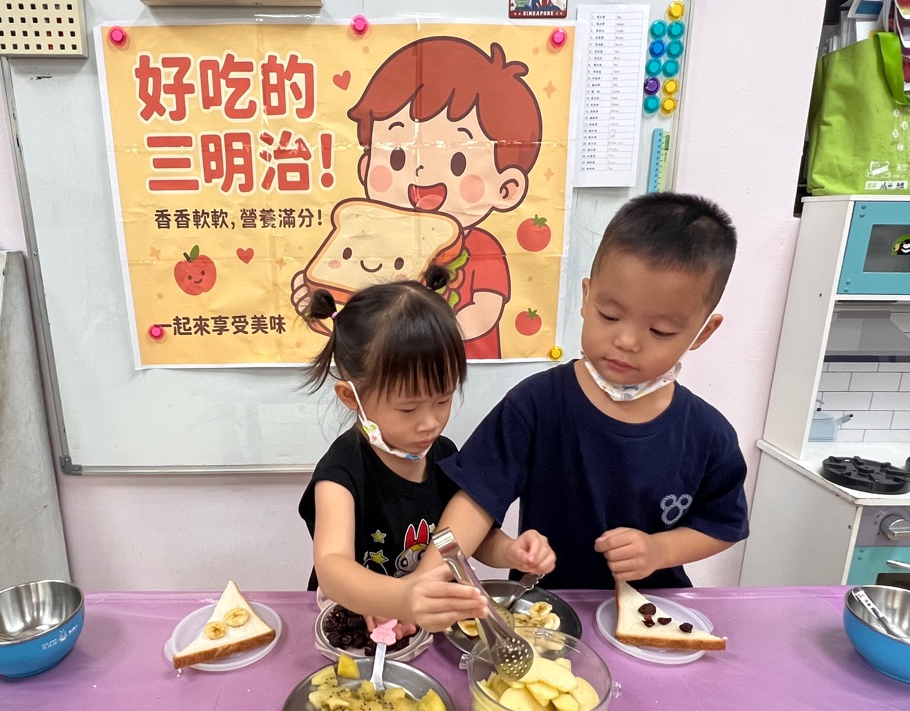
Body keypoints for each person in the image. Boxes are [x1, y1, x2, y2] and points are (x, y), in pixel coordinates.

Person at [420, 192, 749, 590]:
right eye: (609, 315)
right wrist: (423, 581)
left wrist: (659, 550)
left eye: (660, 331)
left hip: (655, 611)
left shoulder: (708, 434)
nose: (626, 341)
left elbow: (722, 524)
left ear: (703, 332)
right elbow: (474, 501)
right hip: (548, 609)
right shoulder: (536, 404)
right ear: (586, 296)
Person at [298, 266, 554, 636]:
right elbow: (332, 567)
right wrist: (402, 597)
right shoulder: (342, 471)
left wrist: (511, 552)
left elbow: (463, 542)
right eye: (408, 409)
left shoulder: (443, 453)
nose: (430, 423)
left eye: (443, 400)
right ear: (351, 397)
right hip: (354, 622)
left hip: (424, 624)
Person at [291, 36, 544, 359]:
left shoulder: (482, 249)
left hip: (452, 372)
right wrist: (324, 309)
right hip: (386, 374)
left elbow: (480, 317)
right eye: (397, 157)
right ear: (366, 166)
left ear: (506, 188)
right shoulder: (370, 244)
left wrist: (408, 328)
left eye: (457, 162)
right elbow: (358, 328)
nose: (421, 173)